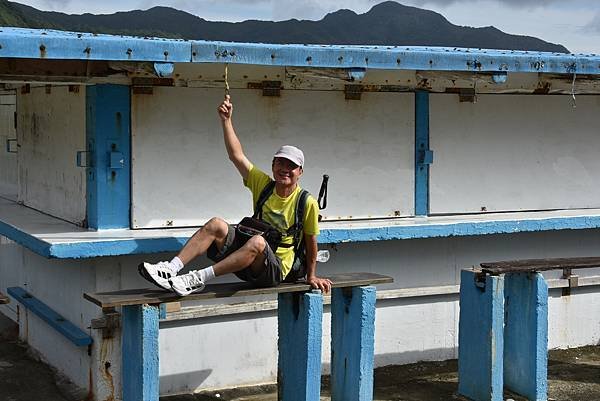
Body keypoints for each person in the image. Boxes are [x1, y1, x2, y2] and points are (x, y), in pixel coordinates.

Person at [139, 95, 332, 296]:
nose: (285, 169)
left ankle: (197, 278)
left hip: (275, 271)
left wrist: (312, 276)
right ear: (273, 165)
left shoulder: (306, 202)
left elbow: (311, 242)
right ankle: (170, 269)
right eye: (280, 163)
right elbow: (236, 156)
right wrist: (226, 120)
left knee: (258, 242)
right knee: (216, 224)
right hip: (246, 261)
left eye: (291, 166)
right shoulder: (264, 185)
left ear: (300, 172)